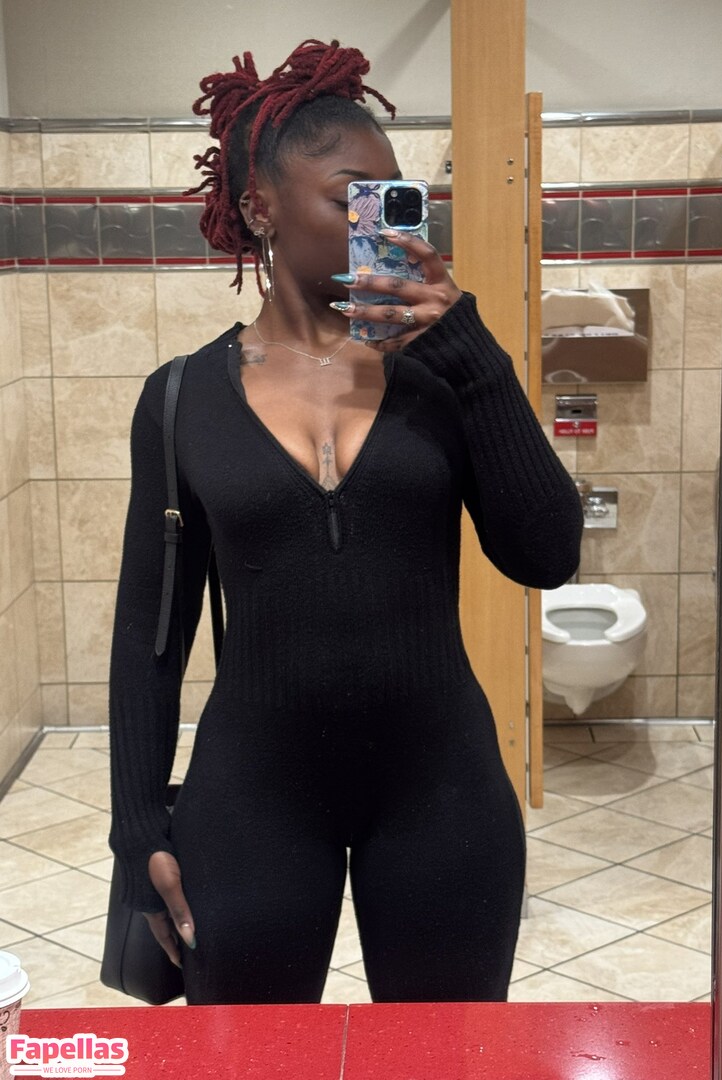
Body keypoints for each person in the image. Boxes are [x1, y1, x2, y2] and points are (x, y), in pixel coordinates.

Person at [108, 38, 582, 1006]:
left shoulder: (444, 377)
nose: (389, 220)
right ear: (260, 207)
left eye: (398, 197)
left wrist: (475, 357)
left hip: (443, 793)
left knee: (444, 1064)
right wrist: (137, 828)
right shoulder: (181, 399)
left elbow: (548, 554)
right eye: (353, 197)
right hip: (253, 797)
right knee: (248, 1064)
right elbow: (149, 636)